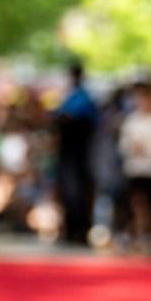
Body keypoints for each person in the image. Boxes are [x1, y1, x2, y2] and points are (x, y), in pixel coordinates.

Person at [118, 82, 151, 253]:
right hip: (135, 168)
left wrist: (148, 146)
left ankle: (148, 235)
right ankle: (133, 233)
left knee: (150, 202)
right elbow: (125, 143)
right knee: (136, 201)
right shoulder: (132, 120)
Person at [52, 60, 99, 246]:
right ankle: (72, 230)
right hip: (70, 155)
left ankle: (79, 231)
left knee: (78, 192)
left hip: (79, 154)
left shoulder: (82, 99)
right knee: (70, 192)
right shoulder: (74, 97)